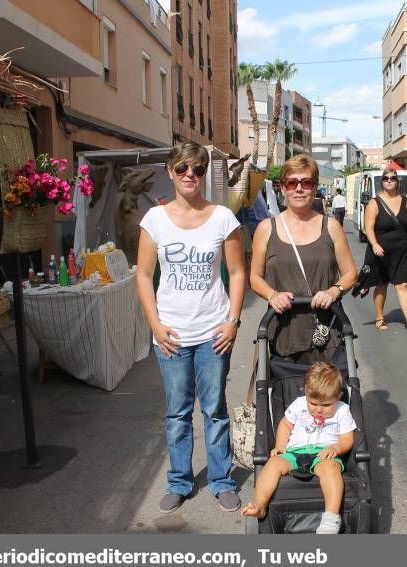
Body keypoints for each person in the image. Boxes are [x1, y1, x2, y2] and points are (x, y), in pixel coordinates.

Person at [136, 141, 246, 514]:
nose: (190, 176)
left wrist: (232, 320)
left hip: (213, 331)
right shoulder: (154, 219)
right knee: (177, 412)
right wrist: (155, 324)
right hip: (171, 334)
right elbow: (144, 275)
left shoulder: (222, 218)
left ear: (203, 174)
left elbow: (238, 272)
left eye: (197, 170)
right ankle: (180, 481)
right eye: (182, 168)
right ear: (170, 171)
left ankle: (221, 480)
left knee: (215, 410)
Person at [250, 154, 356, 365]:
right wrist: (272, 295)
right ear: (282, 188)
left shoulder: (331, 227)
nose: (299, 188)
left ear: (315, 188)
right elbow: (254, 277)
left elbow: (350, 273)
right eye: (292, 183)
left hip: (327, 330)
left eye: (306, 182)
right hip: (284, 332)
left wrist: (333, 291)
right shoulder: (266, 229)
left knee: (332, 396)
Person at [240, 362, 356, 534]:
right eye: (313, 403)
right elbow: (286, 424)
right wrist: (280, 445)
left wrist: (337, 448)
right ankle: (260, 504)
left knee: (330, 468)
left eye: (325, 405)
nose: (318, 410)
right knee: (272, 464)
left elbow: (348, 438)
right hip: (295, 452)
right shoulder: (299, 404)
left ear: (338, 396)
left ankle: (331, 519)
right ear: (306, 393)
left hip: (323, 454)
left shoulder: (342, 410)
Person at [361, 167, 407, 336]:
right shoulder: (374, 203)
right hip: (381, 251)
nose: (389, 180)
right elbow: (369, 227)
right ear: (382, 181)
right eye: (386, 178)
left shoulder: (406, 201)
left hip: (402, 250)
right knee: (381, 284)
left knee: (402, 285)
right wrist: (374, 244)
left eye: (392, 178)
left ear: (397, 181)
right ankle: (380, 318)